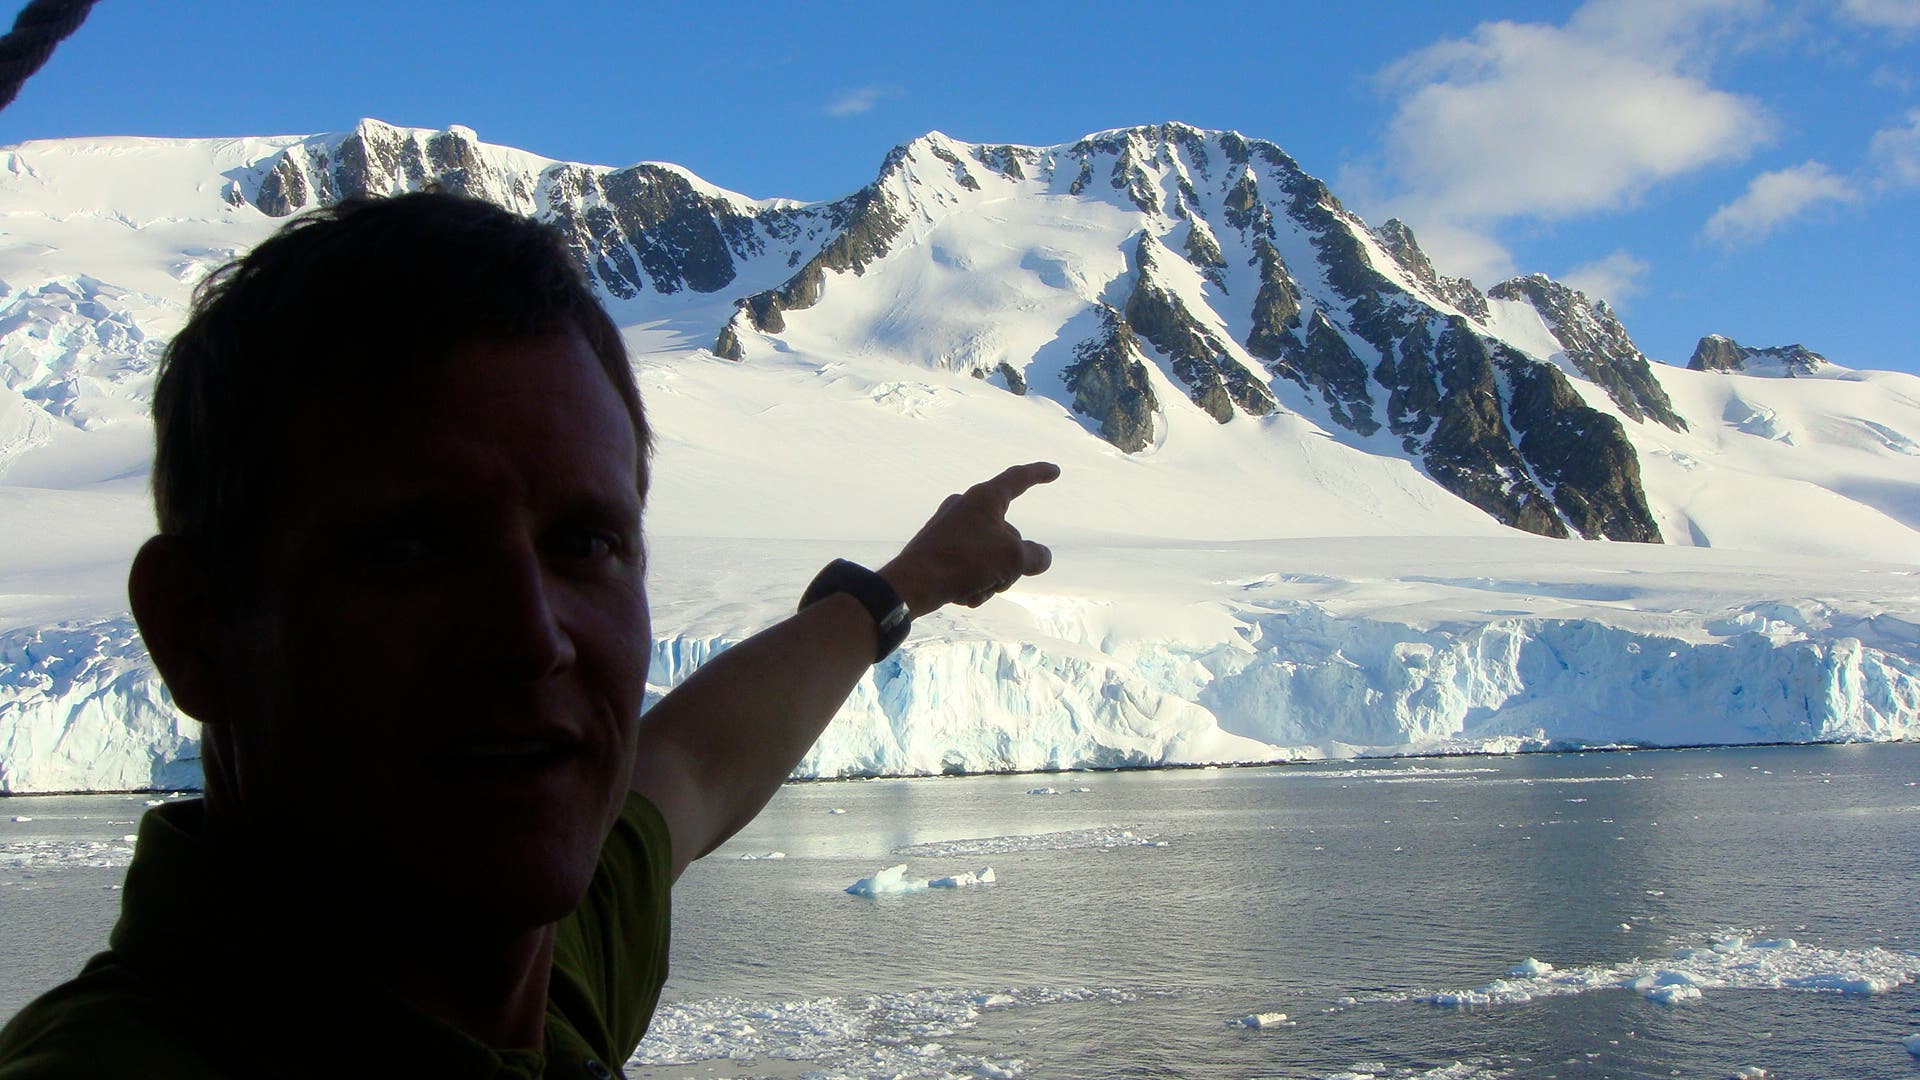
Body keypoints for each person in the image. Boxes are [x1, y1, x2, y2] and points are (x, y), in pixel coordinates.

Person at [0, 192, 1057, 1077]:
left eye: (586, 543)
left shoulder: (533, 983)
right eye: (410, 549)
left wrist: (909, 583)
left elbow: (691, 764)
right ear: (197, 633)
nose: (530, 637)